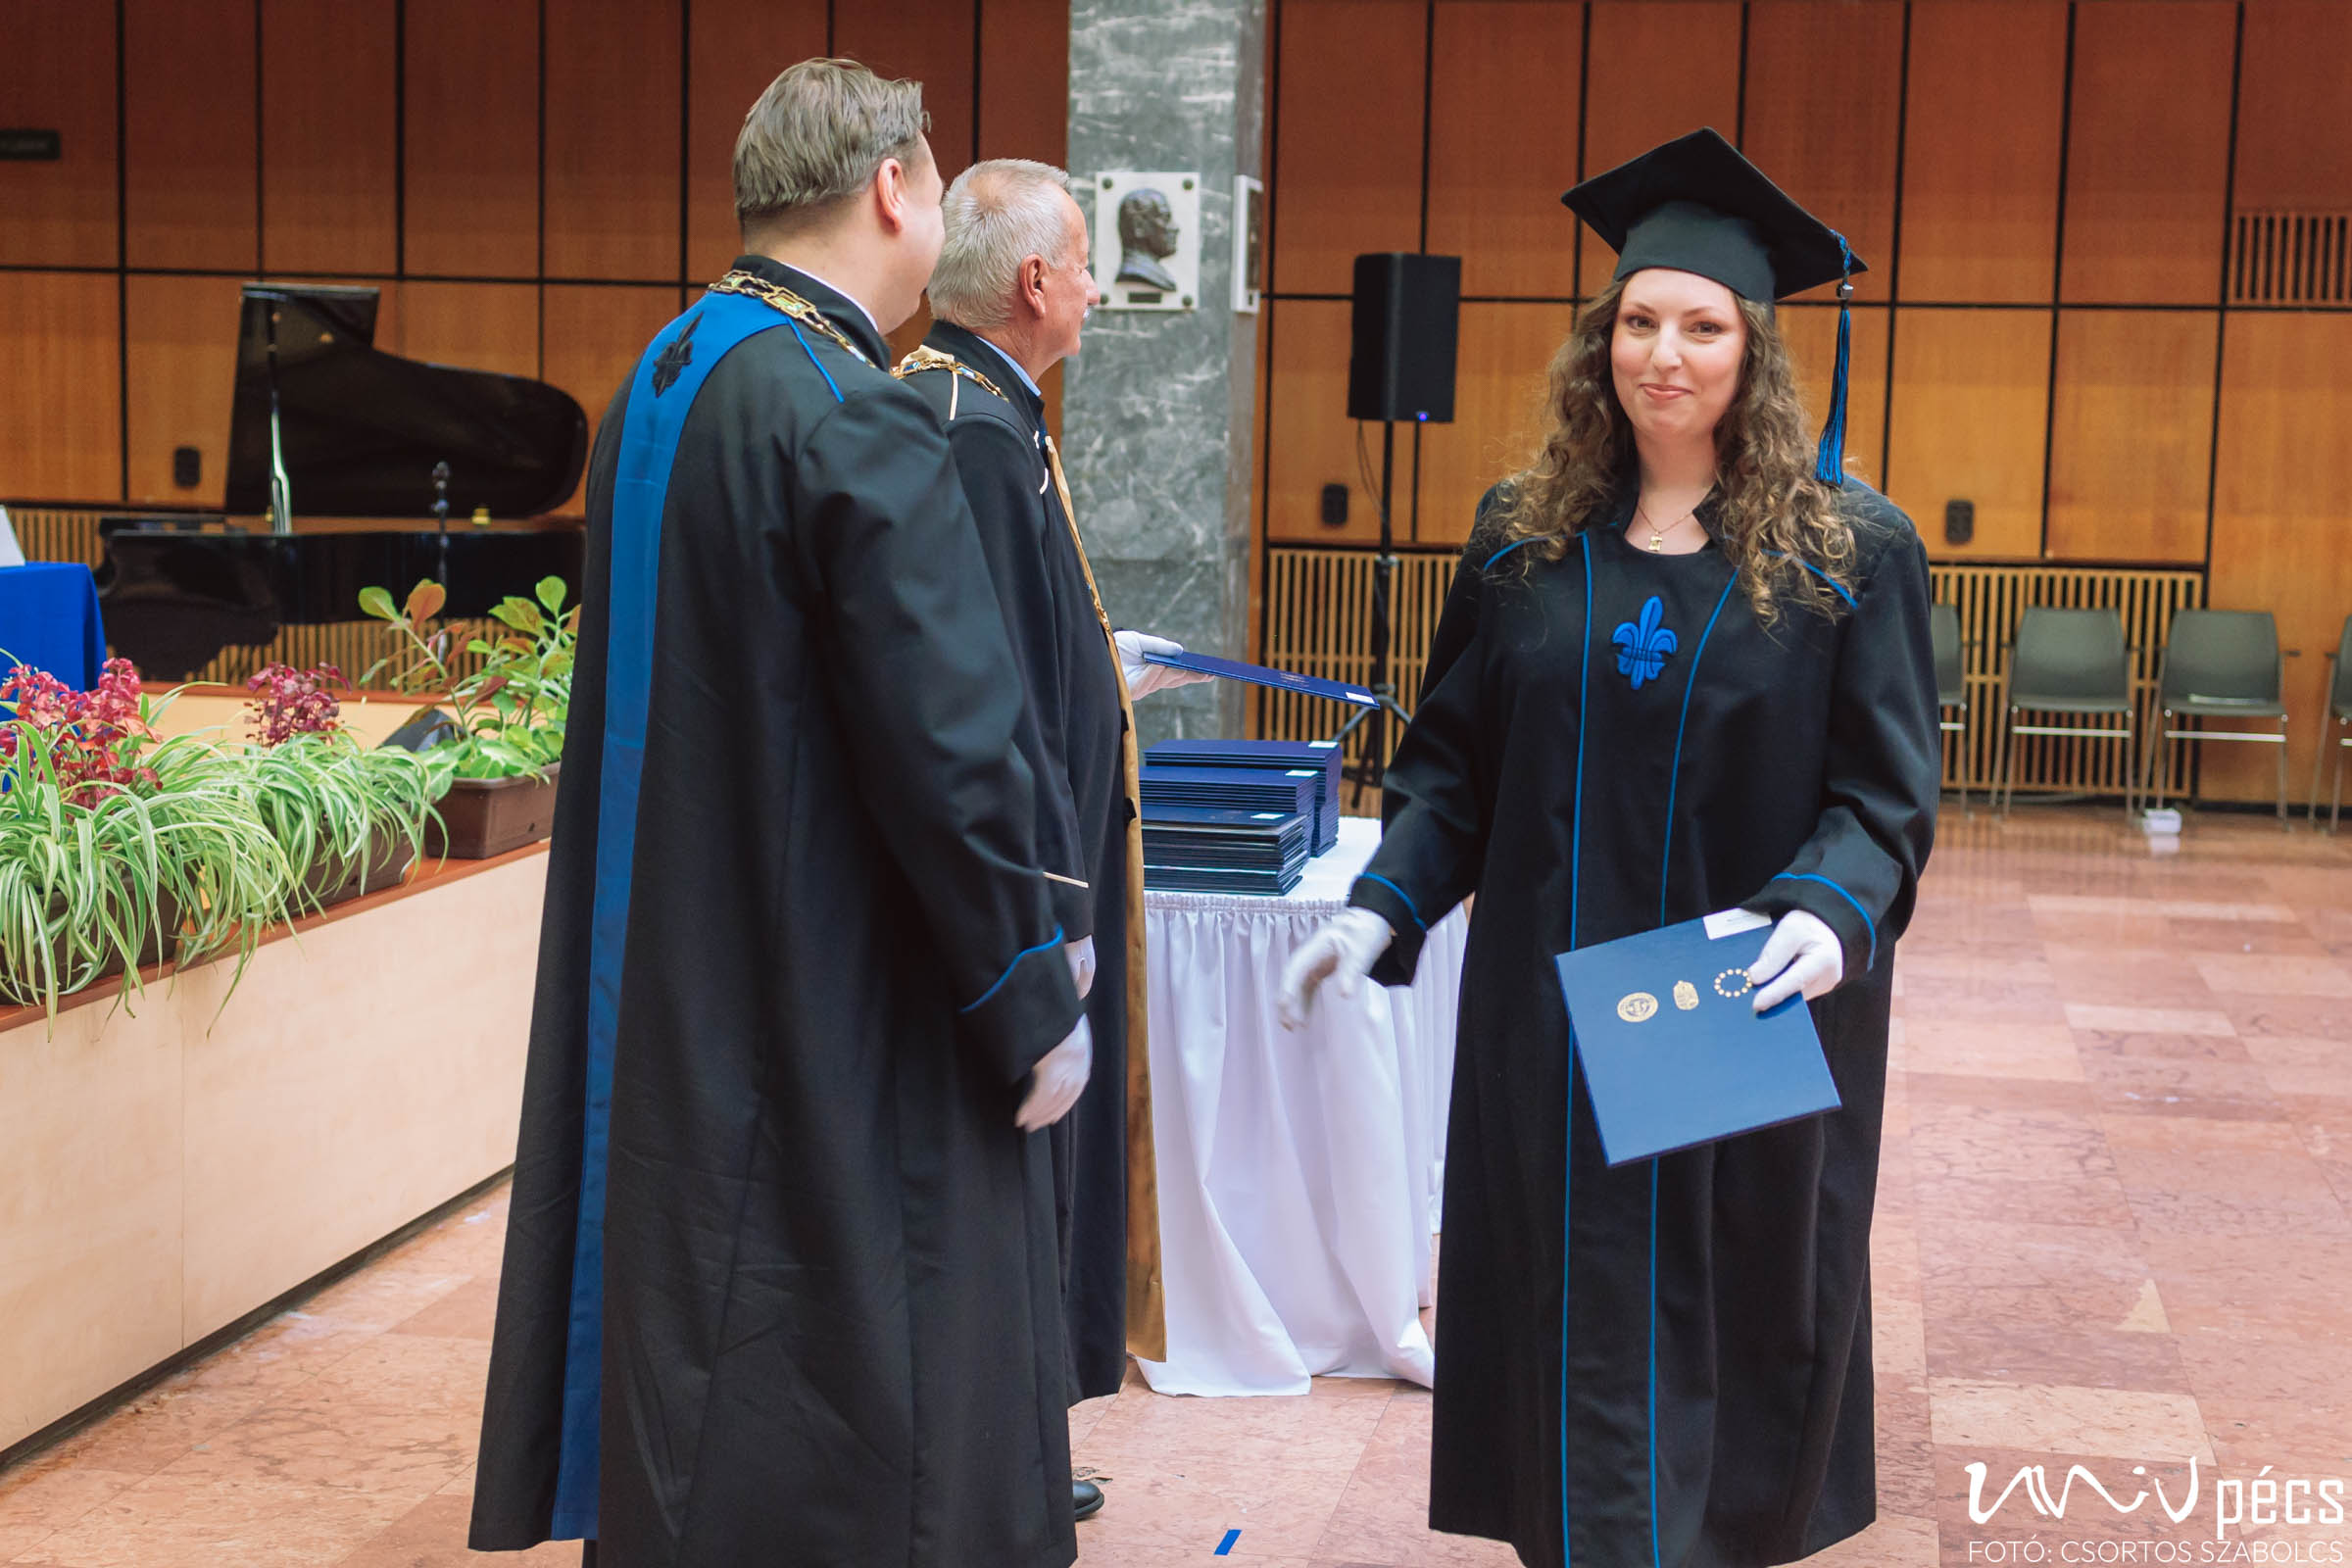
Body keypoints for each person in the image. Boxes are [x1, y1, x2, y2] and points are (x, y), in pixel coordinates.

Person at [1279, 127, 1939, 1568]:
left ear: (1755, 350)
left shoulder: (1848, 554)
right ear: (1601, 342)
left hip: (1731, 1012)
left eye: (1702, 328)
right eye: (1639, 323)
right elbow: (1454, 763)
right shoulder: (1524, 540)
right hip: (1550, 1016)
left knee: (1722, 1320)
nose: (1664, 356)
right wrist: (1383, 901)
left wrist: (1829, 910)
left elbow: (1885, 793)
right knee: (1565, 1310)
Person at [470, 60, 1092, 1568]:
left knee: (703, 1354)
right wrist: (1031, 992)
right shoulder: (848, 409)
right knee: (877, 1385)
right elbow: (955, 749)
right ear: (891, 189)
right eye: (933, 180)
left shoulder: (669, 370)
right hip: (827, 986)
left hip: (680, 960)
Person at [898, 157, 1212, 1521]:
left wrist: (1098, 659)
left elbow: (1023, 642)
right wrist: (1051, 915)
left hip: (1040, 872)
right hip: (1023, 893)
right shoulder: (971, 429)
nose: (1093, 286)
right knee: (1002, 1175)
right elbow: (986, 697)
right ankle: (998, 1456)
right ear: (1035, 282)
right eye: (1082, 263)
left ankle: (1019, 1440)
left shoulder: (986, 405)